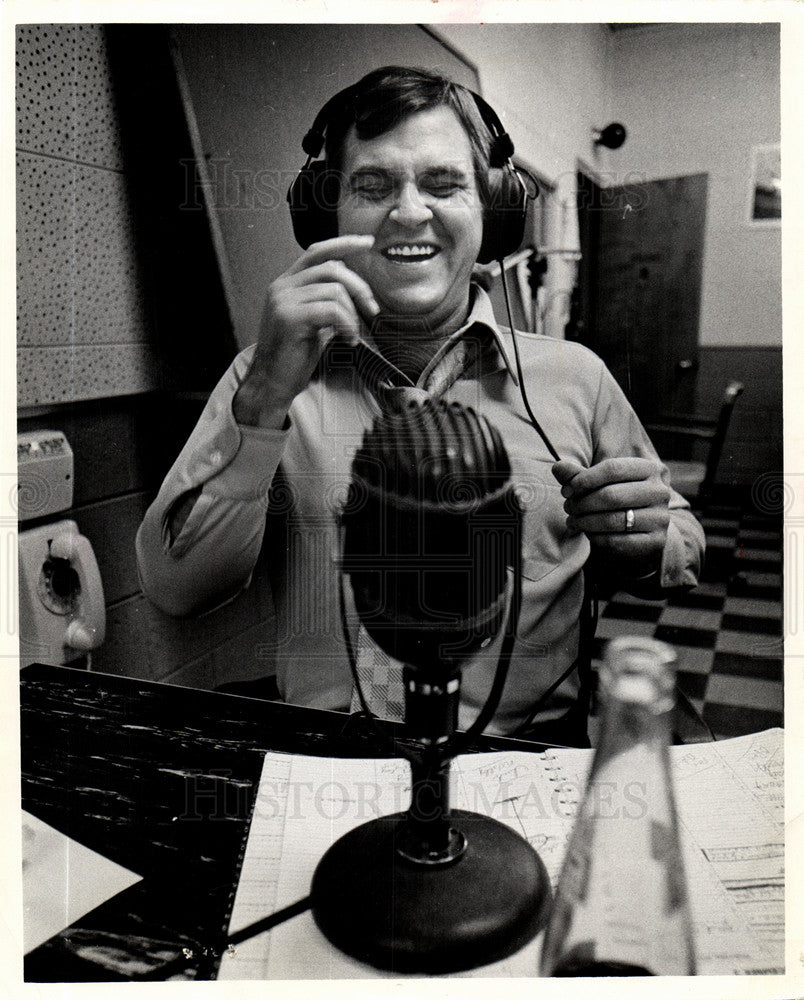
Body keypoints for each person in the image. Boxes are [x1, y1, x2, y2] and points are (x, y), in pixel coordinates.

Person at [136, 66, 704, 743]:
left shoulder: (576, 379)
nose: (409, 213)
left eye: (443, 184)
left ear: (490, 211)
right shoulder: (265, 380)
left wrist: (644, 535)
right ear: (328, 213)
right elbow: (174, 589)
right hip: (334, 759)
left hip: (526, 757)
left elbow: (680, 541)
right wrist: (260, 405)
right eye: (372, 186)